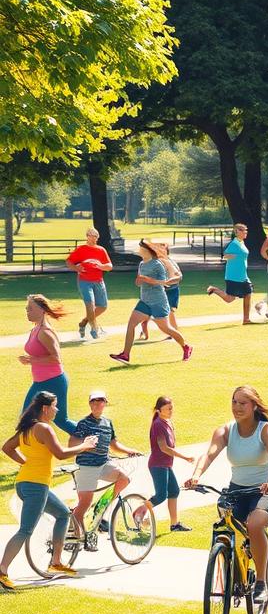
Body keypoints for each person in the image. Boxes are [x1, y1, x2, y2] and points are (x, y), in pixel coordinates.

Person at [184, 386, 268, 605]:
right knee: (226, 524)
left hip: (266, 489)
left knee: (255, 524)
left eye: (243, 403)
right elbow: (209, 454)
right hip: (237, 490)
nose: (237, 407)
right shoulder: (225, 431)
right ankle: (236, 573)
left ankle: (260, 582)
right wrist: (196, 475)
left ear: (254, 406)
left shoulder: (266, 430)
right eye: (234, 402)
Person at [0, 392, 97, 589]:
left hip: (27, 483)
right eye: (55, 406)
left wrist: (25, 462)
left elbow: (7, 448)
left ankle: (56, 562)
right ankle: (2, 571)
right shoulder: (44, 428)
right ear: (46, 408)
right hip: (35, 485)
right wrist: (85, 446)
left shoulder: (28, 429)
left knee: (62, 514)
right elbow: (60, 454)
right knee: (26, 530)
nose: (57, 409)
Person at [69, 390, 141, 531]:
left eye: (100, 401)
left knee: (123, 479)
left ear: (105, 403)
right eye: (93, 401)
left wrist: (129, 451)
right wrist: (85, 444)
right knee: (83, 505)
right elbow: (72, 444)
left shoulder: (107, 423)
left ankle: (100, 508)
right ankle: (78, 536)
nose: (97, 404)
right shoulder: (84, 423)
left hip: (103, 464)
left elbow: (114, 444)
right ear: (90, 404)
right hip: (87, 467)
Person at [110, 240, 192, 364]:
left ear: (146, 250)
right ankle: (125, 354)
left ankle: (186, 346)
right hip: (144, 300)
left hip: (158, 301)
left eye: (140, 248)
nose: (138, 250)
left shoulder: (157, 264)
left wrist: (146, 279)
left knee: (167, 329)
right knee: (131, 324)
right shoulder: (142, 264)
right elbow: (139, 282)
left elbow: (162, 282)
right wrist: (139, 281)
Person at [133, 396, 195, 531]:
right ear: (159, 410)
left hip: (165, 464)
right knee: (161, 495)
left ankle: (174, 524)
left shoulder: (167, 423)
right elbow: (164, 448)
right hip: (158, 464)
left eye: (172, 408)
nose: (171, 411)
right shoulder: (158, 425)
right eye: (168, 409)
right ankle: (139, 510)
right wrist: (185, 457)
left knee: (174, 491)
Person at [20, 294, 77, 435]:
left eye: (31, 309)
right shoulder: (35, 329)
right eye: (27, 308)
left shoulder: (45, 332)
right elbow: (40, 353)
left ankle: (96, 439)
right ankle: (33, 450)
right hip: (39, 382)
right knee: (26, 418)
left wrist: (31, 360)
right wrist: (30, 359)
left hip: (54, 381)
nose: (28, 311)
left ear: (42, 310)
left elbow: (56, 358)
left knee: (61, 420)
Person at [66, 227, 112, 339]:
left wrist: (102, 266)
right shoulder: (81, 249)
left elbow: (110, 266)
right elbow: (69, 262)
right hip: (84, 281)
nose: (94, 238)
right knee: (90, 305)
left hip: (99, 281)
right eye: (91, 235)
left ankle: (83, 322)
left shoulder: (101, 250)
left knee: (103, 306)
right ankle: (94, 329)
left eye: (96, 236)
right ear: (87, 236)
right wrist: (76, 268)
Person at [138, 241, 182, 339]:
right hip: (158, 290)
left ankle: (173, 332)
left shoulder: (170, 262)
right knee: (149, 310)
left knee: (169, 311)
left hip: (171, 289)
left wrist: (168, 281)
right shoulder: (153, 262)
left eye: (163, 249)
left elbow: (179, 276)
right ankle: (144, 327)